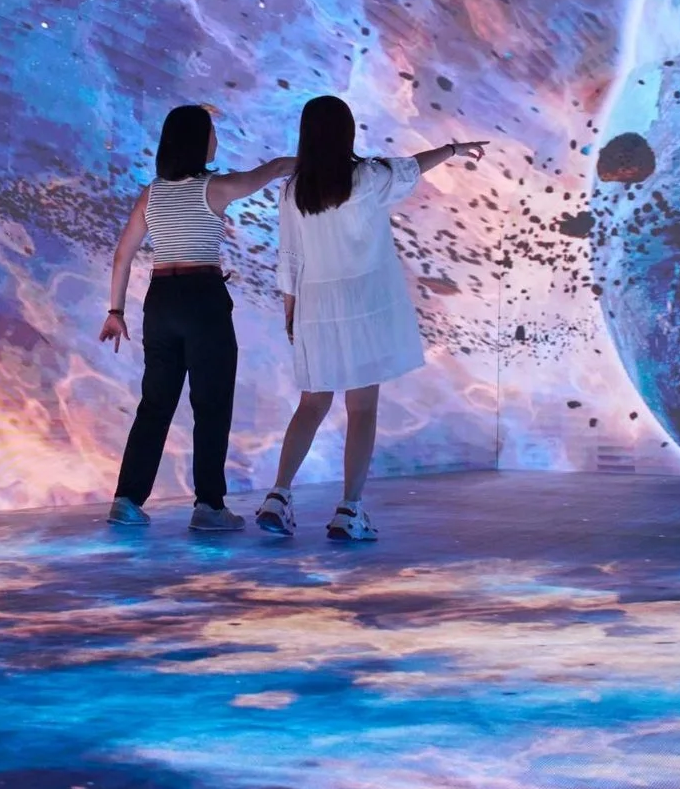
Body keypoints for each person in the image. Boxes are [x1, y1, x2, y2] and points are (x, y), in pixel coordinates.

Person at [257, 95, 486, 541]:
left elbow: (288, 255)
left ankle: (278, 496)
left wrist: (290, 309)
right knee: (361, 409)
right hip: (364, 303)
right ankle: (349, 510)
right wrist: (454, 150)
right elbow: (414, 166)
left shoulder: (292, 189)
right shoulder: (367, 177)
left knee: (312, 404)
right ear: (347, 133)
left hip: (315, 306)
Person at [99, 105, 293, 532]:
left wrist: (116, 311)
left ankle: (126, 500)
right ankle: (209, 506)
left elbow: (122, 255)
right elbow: (275, 168)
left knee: (154, 406)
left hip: (160, 300)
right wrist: (322, 162)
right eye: (212, 132)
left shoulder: (152, 193)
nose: (217, 139)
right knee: (211, 404)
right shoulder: (216, 188)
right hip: (202, 298)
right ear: (198, 142)